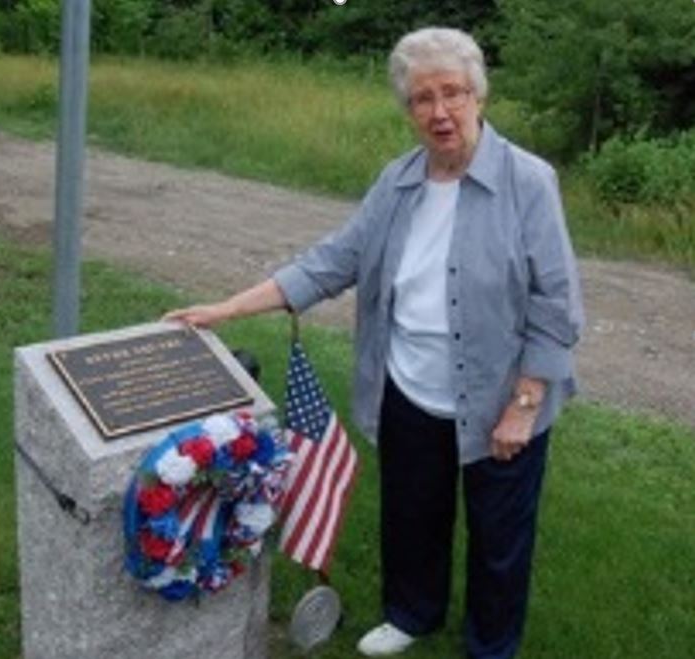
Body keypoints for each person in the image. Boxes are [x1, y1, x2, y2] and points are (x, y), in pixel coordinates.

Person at [164, 26, 584, 658]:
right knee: (412, 516)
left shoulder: (528, 181)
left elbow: (556, 303)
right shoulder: (398, 180)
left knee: (500, 536)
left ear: (479, 95)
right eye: (422, 98)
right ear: (408, 109)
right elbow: (332, 261)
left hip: (500, 396)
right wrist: (226, 309)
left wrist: (524, 404)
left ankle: (491, 645)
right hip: (408, 386)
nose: (439, 112)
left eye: (452, 93)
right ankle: (412, 614)